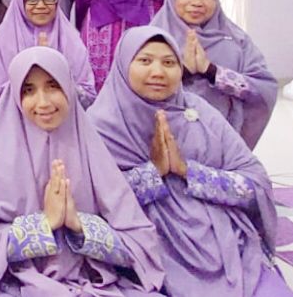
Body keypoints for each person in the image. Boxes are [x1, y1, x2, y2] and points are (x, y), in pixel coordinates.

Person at [89, 26, 289, 297]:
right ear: (123, 65)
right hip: (146, 253)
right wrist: (153, 172)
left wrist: (189, 172)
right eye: (145, 61)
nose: (158, 72)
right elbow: (93, 205)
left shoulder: (199, 110)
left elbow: (256, 182)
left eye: (169, 62)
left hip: (225, 247)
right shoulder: (101, 126)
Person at [0, 47, 165, 296]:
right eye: (29, 90)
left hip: (96, 281)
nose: (43, 102)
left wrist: (79, 225)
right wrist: (44, 224)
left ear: (68, 87)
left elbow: (140, 246)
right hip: (17, 285)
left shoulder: (92, 149)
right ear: (14, 96)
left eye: (53, 86)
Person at [150, 0, 276, 149]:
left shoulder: (236, 41)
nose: (197, 2)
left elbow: (264, 88)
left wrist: (212, 71)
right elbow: (132, 91)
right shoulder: (151, 39)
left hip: (221, 139)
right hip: (164, 139)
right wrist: (184, 71)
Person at [0, 0, 95, 106]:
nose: (41, 5)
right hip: (14, 116)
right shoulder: (0, 44)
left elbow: (88, 96)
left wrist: (53, 66)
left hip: (64, 113)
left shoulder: (71, 41)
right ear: (19, 2)